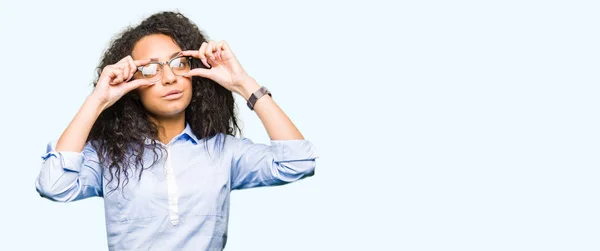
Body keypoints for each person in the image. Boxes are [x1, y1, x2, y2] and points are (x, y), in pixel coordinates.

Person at [35, 11, 317, 250]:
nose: (169, 78)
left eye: (178, 63)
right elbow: (53, 185)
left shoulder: (223, 151)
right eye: (151, 70)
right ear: (131, 86)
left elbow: (298, 162)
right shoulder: (110, 156)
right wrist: (98, 101)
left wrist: (243, 83)